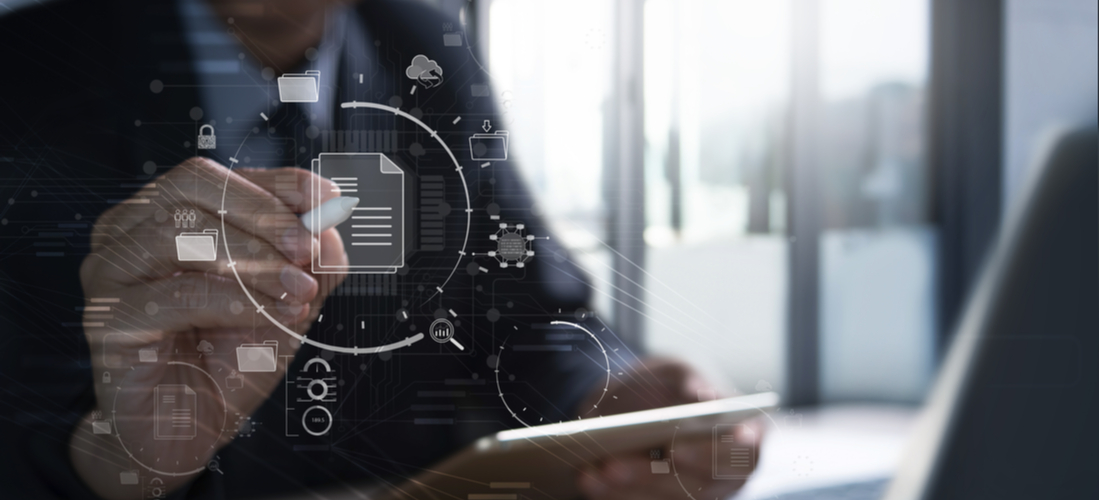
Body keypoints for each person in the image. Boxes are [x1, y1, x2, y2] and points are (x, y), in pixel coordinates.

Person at [0, 1, 761, 499]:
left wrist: (609, 400)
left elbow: (527, 311)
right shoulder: (31, 69)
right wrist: (122, 460)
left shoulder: (422, 46)